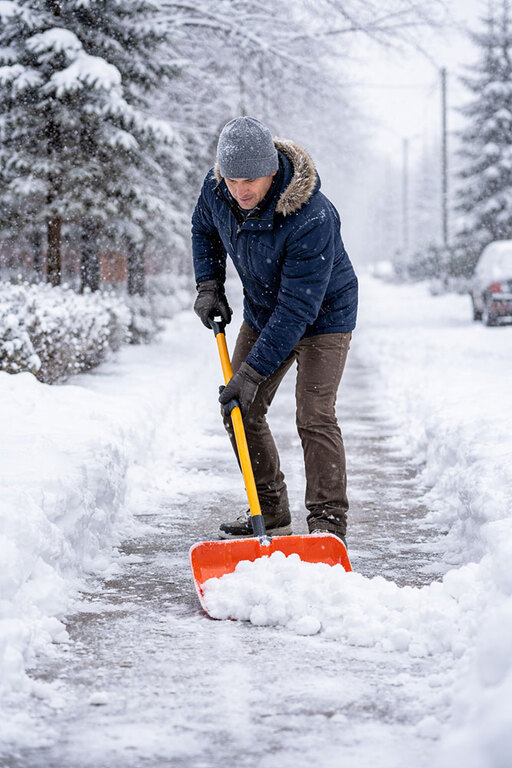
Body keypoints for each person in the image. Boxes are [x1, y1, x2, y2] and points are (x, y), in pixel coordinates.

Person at [191, 116, 358, 546]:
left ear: (271, 171)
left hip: (324, 318)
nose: (240, 191)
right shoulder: (216, 193)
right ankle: (270, 509)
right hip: (266, 312)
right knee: (239, 408)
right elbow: (204, 230)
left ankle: (327, 525)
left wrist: (252, 373)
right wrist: (209, 285)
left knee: (314, 415)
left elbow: (298, 308)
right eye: (231, 180)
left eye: (250, 180)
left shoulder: (311, 215)